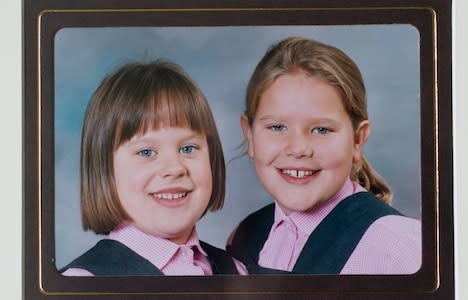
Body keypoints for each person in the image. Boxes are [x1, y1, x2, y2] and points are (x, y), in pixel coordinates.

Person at [227, 37, 421, 275]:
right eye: (277, 127)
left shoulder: (402, 248)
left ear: (357, 139)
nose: (298, 149)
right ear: (250, 135)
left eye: (321, 130)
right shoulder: (244, 238)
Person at [61, 60, 246, 276]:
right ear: (104, 169)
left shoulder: (236, 271)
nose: (174, 168)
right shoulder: (82, 282)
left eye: (188, 148)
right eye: (146, 152)